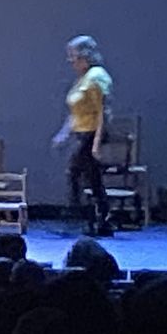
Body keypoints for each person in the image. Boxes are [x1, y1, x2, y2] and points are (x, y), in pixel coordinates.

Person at [52, 35, 114, 237]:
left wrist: (96, 144)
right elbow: (75, 111)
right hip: (81, 133)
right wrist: (63, 133)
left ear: (85, 56)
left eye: (74, 57)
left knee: (75, 173)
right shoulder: (82, 79)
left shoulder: (96, 76)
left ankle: (76, 217)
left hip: (91, 134)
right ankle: (101, 221)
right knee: (92, 179)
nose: (71, 62)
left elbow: (102, 112)